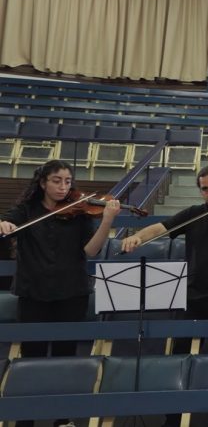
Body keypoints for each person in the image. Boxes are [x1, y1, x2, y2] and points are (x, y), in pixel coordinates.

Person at [1, 160, 120, 427]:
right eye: (56, 181)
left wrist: (107, 220)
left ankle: (62, 419)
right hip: (33, 293)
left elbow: (91, 251)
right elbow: (8, 219)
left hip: (71, 294)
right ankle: (25, 419)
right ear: (43, 183)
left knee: (66, 358)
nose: (63, 187)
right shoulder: (27, 209)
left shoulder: (79, 212)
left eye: (67, 181)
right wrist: (4, 224)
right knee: (31, 358)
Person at [122, 164, 208, 355]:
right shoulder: (194, 213)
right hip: (193, 295)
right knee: (181, 352)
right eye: (205, 189)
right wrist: (138, 237)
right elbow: (162, 227)